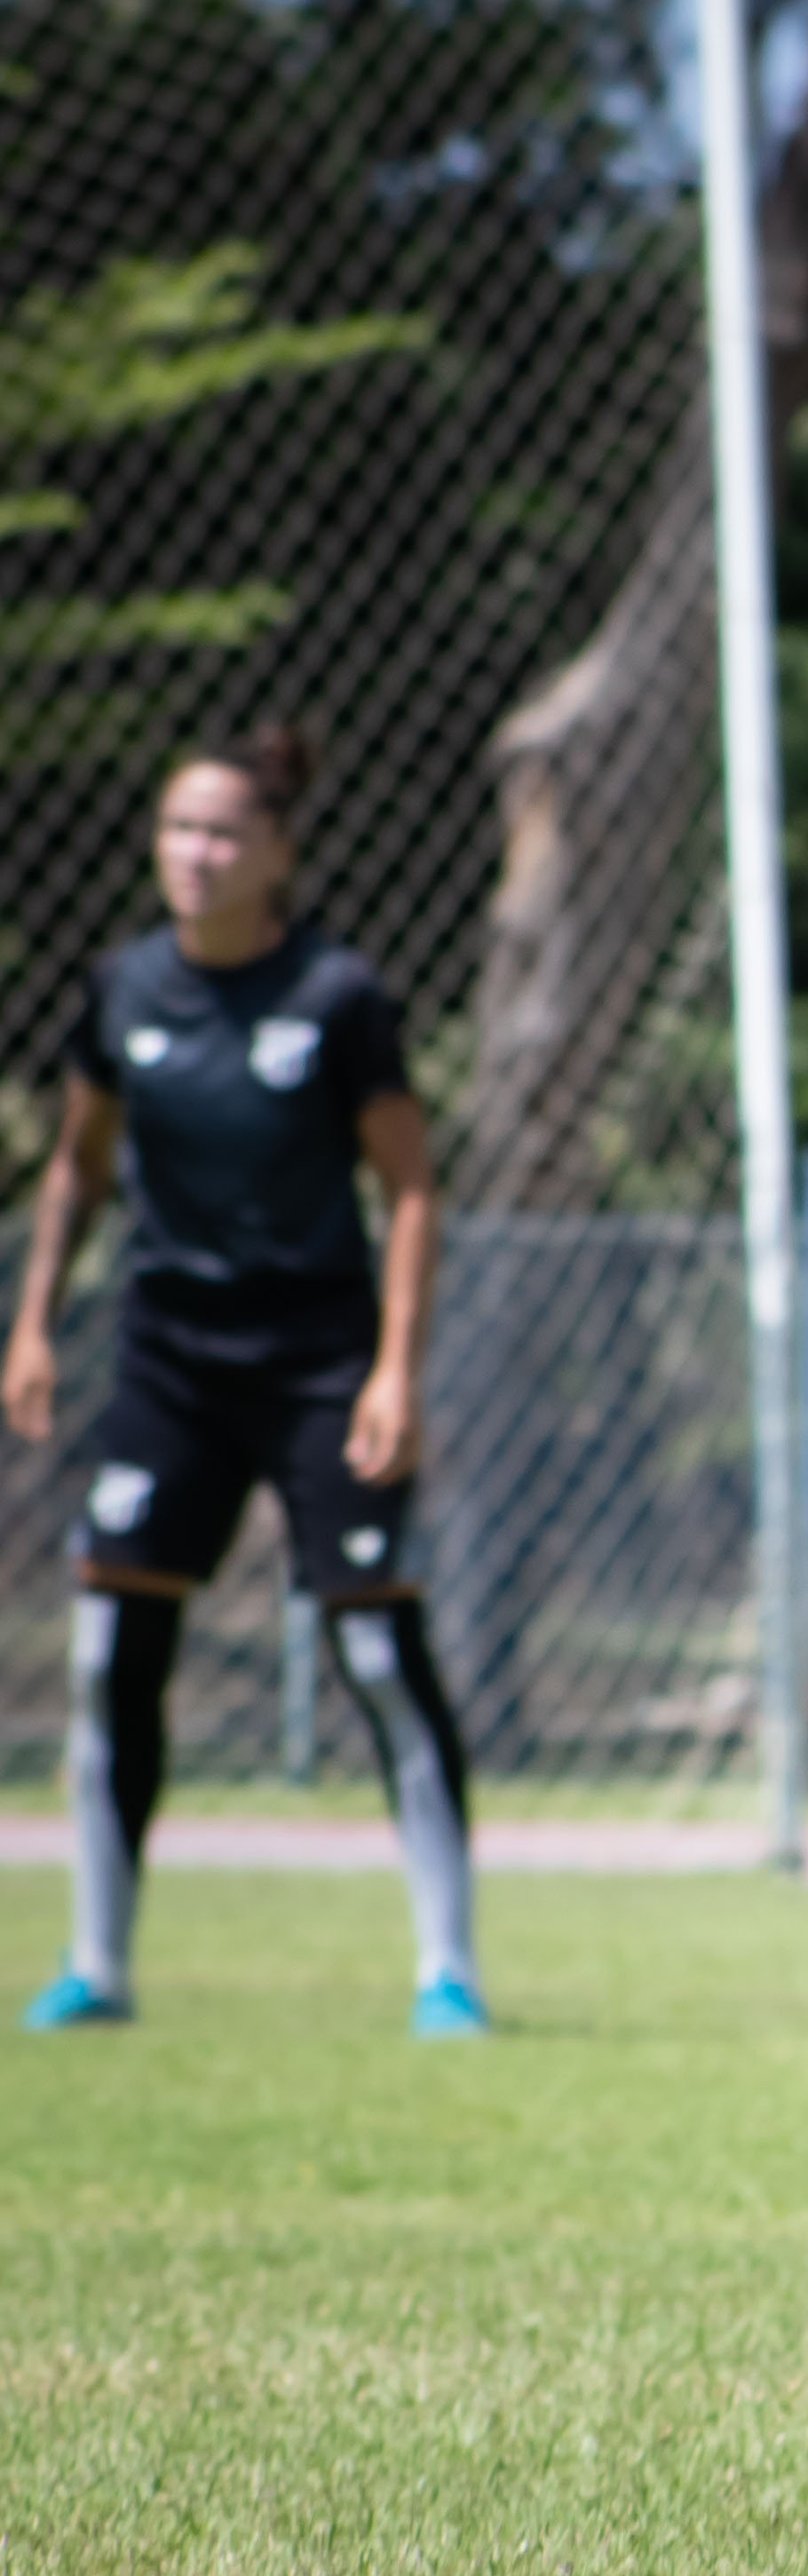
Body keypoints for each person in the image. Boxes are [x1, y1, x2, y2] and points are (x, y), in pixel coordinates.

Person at [9, 727, 487, 2040]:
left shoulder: (338, 997)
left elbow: (410, 1186)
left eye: (223, 832)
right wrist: (35, 1325)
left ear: (278, 850)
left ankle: (448, 1968)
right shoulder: (122, 989)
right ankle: (98, 1963)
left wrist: (396, 1368)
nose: (197, 854)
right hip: (170, 1361)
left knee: (380, 1649)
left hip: (323, 1362)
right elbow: (77, 1168)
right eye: (178, 829)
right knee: (114, 1653)